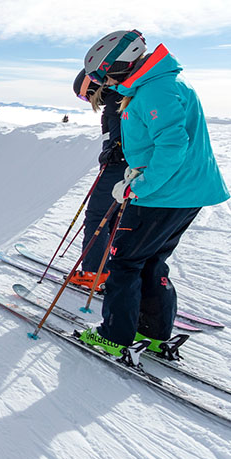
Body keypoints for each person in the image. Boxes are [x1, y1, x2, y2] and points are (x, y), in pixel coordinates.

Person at [77, 29, 229, 360]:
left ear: (120, 64)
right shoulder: (157, 83)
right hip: (181, 192)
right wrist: (137, 169)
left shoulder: (156, 90)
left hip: (162, 195)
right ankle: (154, 333)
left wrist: (138, 184)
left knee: (125, 263)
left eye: (104, 73)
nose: (105, 81)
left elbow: (172, 146)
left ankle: (115, 336)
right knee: (150, 261)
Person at [69, 69, 129, 290]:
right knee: (112, 218)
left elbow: (119, 139)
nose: (88, 101)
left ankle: (94, 272)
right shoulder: (121, 98)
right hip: (127, 168)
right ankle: (105, 267)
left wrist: (113, 153)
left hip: (116, 169)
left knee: (97, 216)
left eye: (85, 96)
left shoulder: (114, 102)